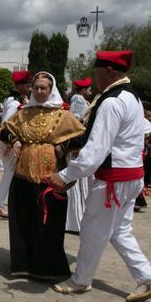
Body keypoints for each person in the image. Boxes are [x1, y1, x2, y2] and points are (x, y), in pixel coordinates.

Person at [49, 50, 151, 302]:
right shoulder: (132, 98)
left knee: (92, 230)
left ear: (110, 71)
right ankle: (147, 277)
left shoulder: (112, 102)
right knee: (120, 231)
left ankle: (80, 279)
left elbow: (95, 151)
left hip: (114, 179)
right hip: (131, 176)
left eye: (97, 72)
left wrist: (66, 174)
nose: (94, 78)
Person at [0, 72, 84, 280]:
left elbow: (81, 135)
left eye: (43, 88)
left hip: (50, 177)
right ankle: (23, 265)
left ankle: (48, 268)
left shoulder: (62, 115)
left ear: (50, 89)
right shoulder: (22, 113)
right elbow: (4, 131)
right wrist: (15, 140)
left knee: (48, 223)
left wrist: (62, 147)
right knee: (24, 220)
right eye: (36, 87)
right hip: (23, 175)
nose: (38, 91)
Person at [0, 71, 31, 216]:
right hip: (10, 143)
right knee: (9, 173)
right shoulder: (14, 103)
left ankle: (3, 202)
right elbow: (6, 124)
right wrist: (12, 142)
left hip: (13, 142)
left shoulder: (16, 100)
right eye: (27, 85)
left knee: (11, 173)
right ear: (20, 86)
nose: (29, 88)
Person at [65, 77, 93, 233]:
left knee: (81, 182)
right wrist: (77, 143)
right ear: (83, 90)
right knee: (76, 182)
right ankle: (73, 222)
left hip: (81, 146)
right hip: (77, 147)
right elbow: (76, 123)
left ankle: (78, 220)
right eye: (89, 89)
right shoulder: (78, 99)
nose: (91, 91)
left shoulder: (84, 101)